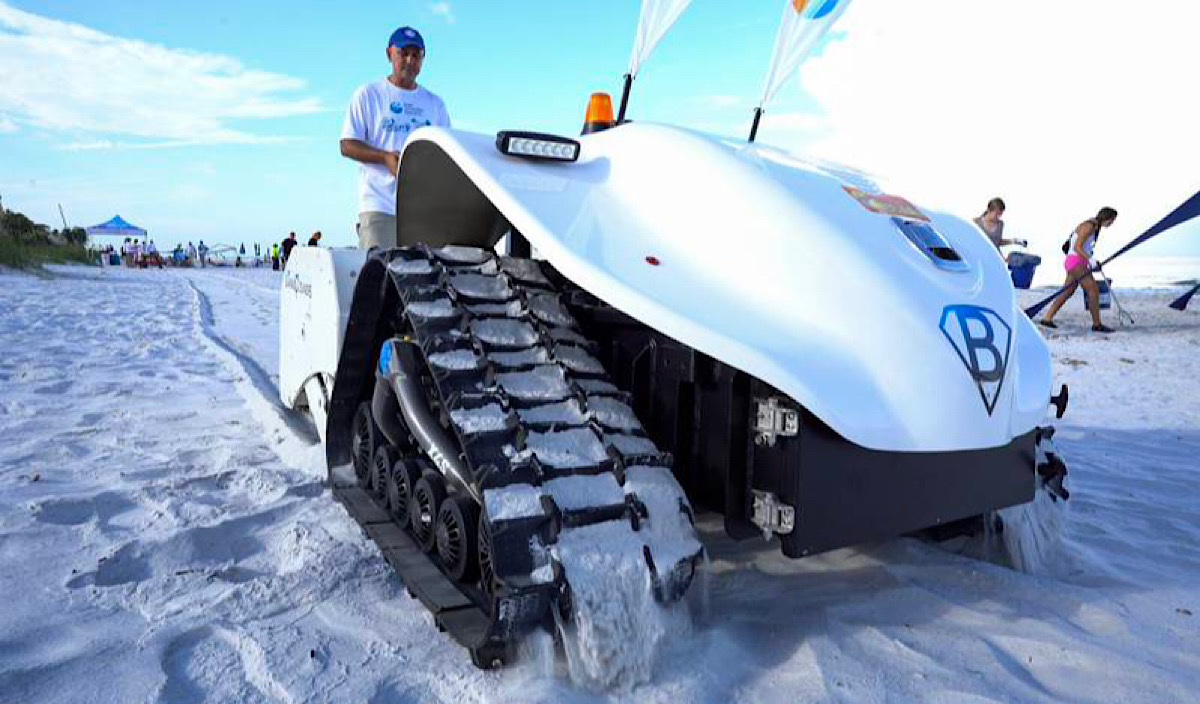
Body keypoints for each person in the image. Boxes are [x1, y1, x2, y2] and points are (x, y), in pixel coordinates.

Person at [340, 26, 451, 250]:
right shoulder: (369, 95)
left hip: (422, 212)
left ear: (423, 58)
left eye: (416, 54)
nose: (410, 60)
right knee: (380, 278)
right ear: (389, 53)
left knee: (422, 280)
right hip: (380, 206)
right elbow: (347, 145)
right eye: (403, 53)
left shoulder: (434, 103)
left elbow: (448, 152)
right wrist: (384, 157)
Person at [1039, 206, 1118, 333]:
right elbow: (1077, 247)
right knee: (1093, 289)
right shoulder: (1089, 226)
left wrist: (1090, 260)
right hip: (1076, 261)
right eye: (1112, 220)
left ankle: (1047, 318)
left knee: (1067, 291)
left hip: (1078, 261)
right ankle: (1097, 324)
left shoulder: (1095, 226)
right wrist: (1091, 260)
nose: (1112, 223)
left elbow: (1083, 248)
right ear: (1107, 218)